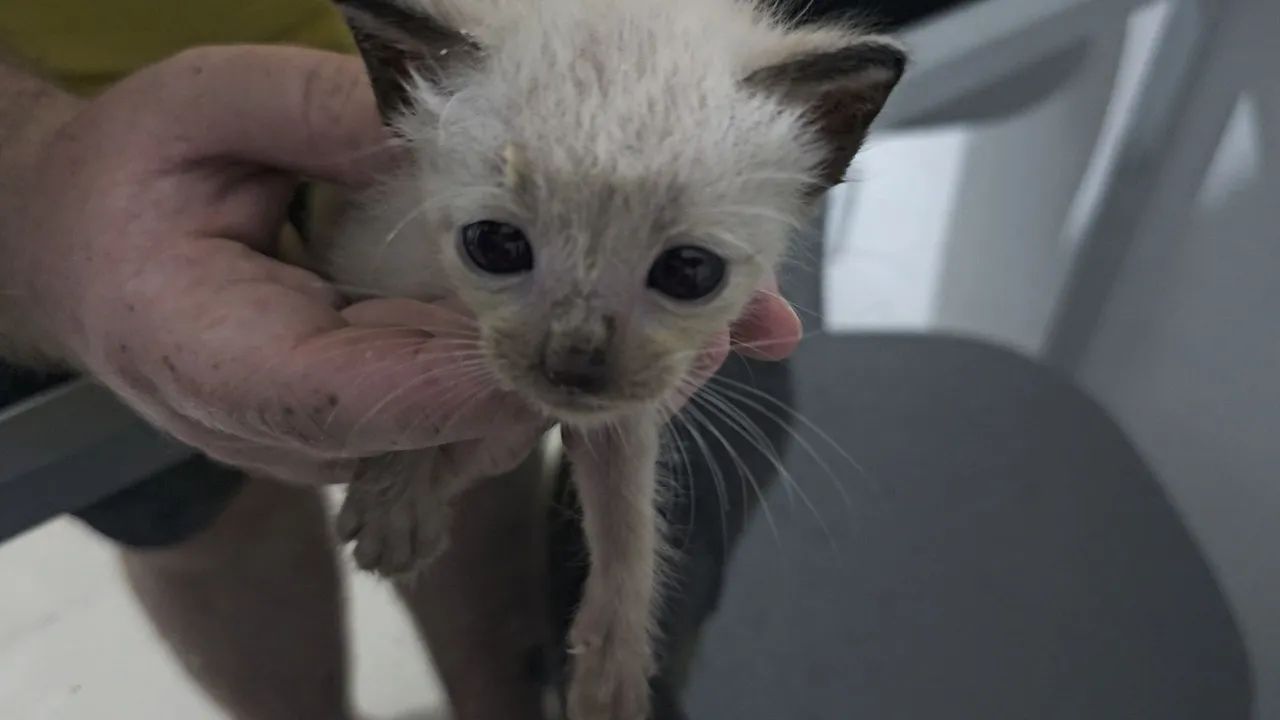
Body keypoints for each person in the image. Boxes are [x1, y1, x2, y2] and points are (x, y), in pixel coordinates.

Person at [0, 3, 801, 719]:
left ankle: (496, 702)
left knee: (476, 457)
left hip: (462, 84)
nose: (575, 359)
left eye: (686, 271)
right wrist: (33, 178)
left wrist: (619, 617)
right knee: (204, 521)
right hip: (77, 128)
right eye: (498, 247)